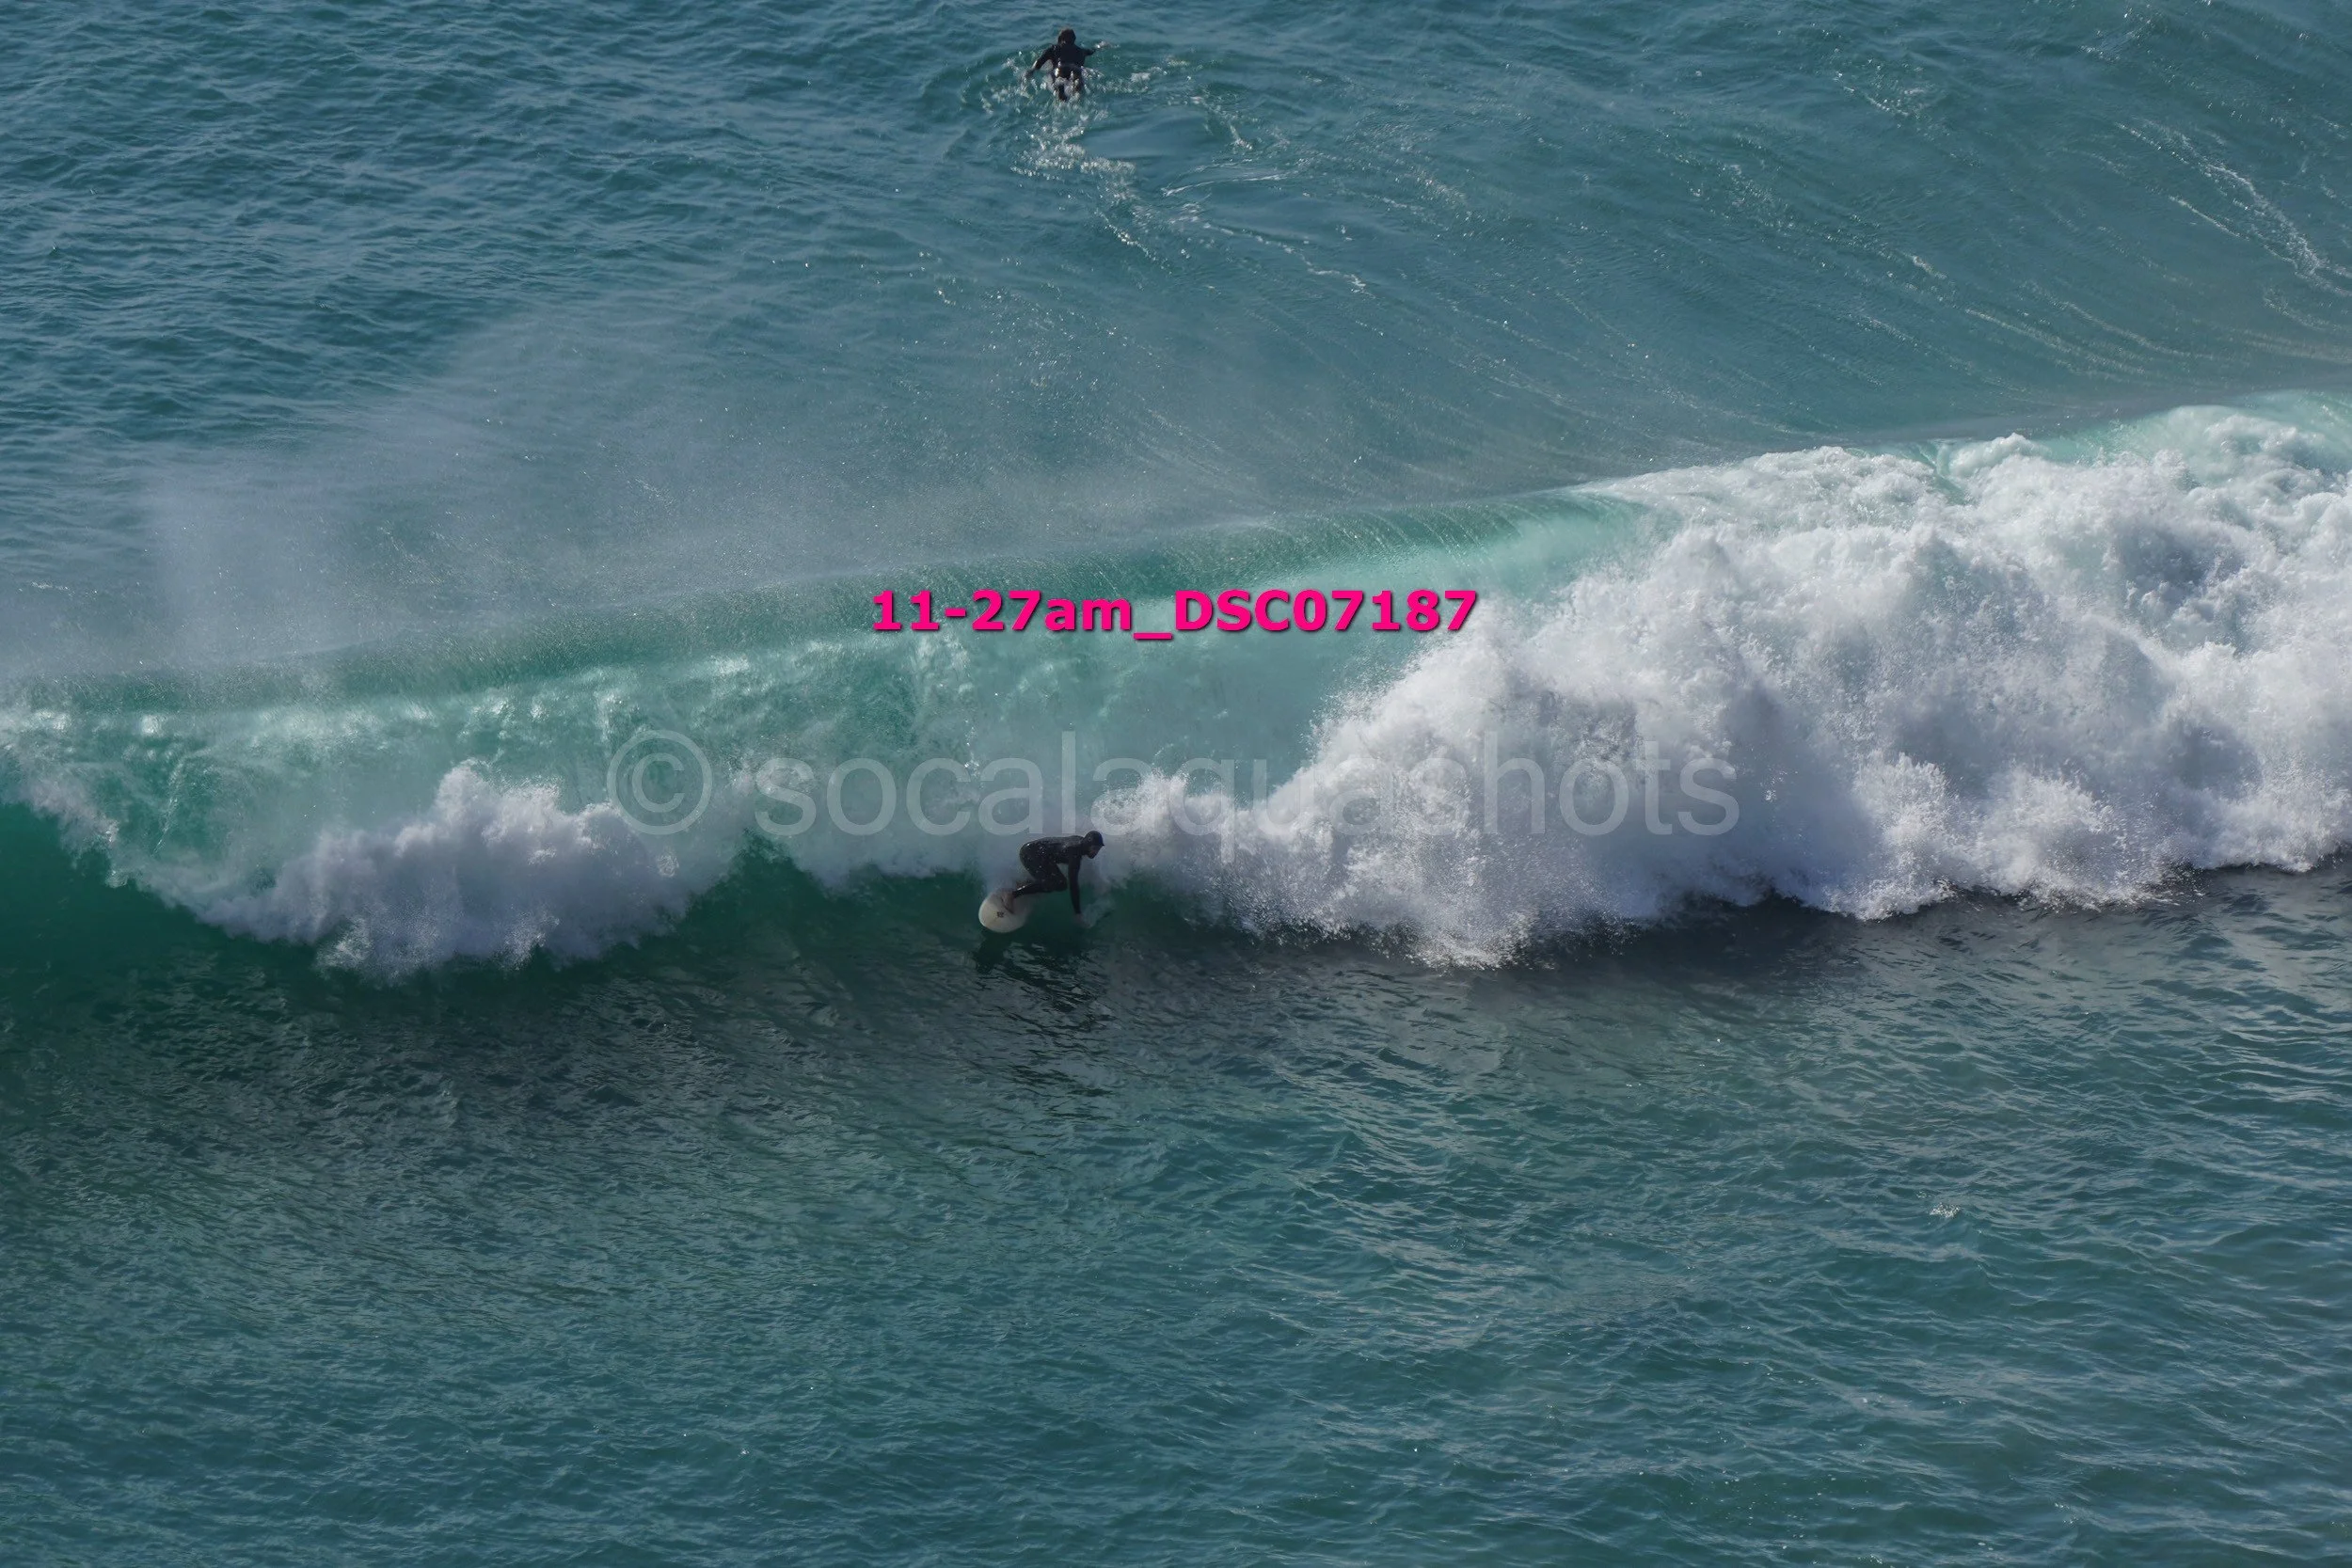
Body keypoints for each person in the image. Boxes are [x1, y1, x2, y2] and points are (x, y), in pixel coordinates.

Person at [1011, 830, 1104, 915]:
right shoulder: (1074, 854)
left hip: (1043, 856)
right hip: (1029, 853)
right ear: (1087, 845)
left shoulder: (1080, 841)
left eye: (1098, 849)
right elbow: (1073, 885)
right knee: (1051, 884)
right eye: (1094, 848)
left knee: (1061, 885)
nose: (1096, 852)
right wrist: (1078, 913)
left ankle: (1026, 885)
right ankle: (1012, 895)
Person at [1025, 27, 1094, 101]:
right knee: (1078, 86)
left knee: (1059, 81)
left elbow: (1039, 62)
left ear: (1060, 39)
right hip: (1076, 69)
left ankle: (1061, 90)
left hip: (1061, 69)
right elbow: (1092, 50)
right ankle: (1077, 89)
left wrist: (1032, 70)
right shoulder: (1082, 51)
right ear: (1074, 39)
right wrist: (1100, 46)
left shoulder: (1054, 48)